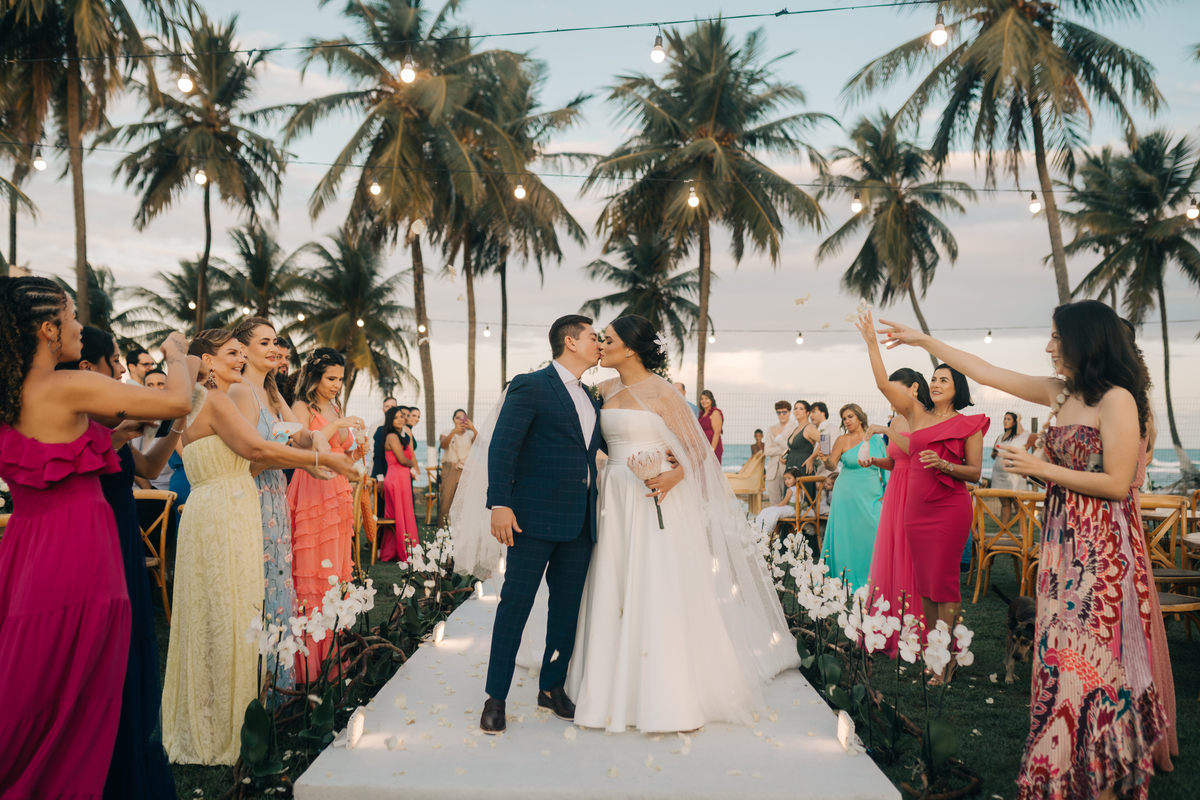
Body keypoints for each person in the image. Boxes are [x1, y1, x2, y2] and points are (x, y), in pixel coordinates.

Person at [880, 301, 1167, 800]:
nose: (1049, 346)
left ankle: (1100, 773)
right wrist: (925, 342)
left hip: (1100, 546)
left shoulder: (1117, 399)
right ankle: (1057, 768)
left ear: (1085, 340)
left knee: (1094, 658)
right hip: (1060, 541)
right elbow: (989, 371)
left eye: (1057, 337)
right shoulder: (1061, 391)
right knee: (1055, 652)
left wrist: (1036, 467)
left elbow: (1119, 483)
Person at [0, 277, 198, 799]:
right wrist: (178, 353)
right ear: (47, 330)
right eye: (68, 318)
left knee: (38, 675)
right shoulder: (64, 386)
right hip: (77, 548)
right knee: (83, 681)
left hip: (27, 547)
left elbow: (51, 461)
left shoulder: (15, 390)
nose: (75, 328)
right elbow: (177, 400)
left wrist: (112, 439)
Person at [568, 315, 798, 732]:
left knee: (654, 584)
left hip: (651, 496)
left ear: (631, 349)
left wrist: (674, 474)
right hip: (613, 497)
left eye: (610, 339)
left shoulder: (663, 393)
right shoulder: (604, 389)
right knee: (612, 583)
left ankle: (662, 691)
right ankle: (604, 684)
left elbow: (697, 451)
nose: (602, 344)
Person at [163, 331, 358, 766]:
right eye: (233, 351)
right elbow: (254, 451)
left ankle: (247, 701)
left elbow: (289, 437)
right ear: (209, 361)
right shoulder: (223, 397)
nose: (267, 351)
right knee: (237, 607)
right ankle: (240, 708)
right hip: (234, 503)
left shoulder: (216, 398)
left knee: (233, 606)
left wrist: (318, 445)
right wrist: (321, 461)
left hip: (229, 504)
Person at [57, 327, 181, 800]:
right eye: (116, 363)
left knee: (136, 651)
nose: (122, 373)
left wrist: (173, 432)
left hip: (125, 529)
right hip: (100, 535)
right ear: (90, 369)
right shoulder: (76, 420)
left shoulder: (104, 420)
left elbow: (148, 469)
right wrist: (176, 359)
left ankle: (132, 751)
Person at [474, 315, 606, 734]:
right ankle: (495, 697)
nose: (599, 343)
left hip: (580, 523)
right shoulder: (530, 385)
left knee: (566, 611)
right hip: (531, 520)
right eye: (593, 336)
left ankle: (551, 688)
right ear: (570, 341)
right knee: (515, 605)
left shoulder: (592, 397)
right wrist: (499, 504)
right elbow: (503, 446)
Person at [857, 311, 988, 684]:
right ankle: (934, 652)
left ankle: (944, 660)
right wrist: (871, 343)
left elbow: (975, 473)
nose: (935, 383)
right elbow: (885, 384)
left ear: (957, 387)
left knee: (944, 583)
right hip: (915, 509)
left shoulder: (970, 424)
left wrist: (945, 466)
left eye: (943, 379)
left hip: (949, 508)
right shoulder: (916, 414)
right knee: (925, 587)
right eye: (932, 379)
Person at [230, 318, 325, 700]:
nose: (274, 349)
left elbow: (296, 431)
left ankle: (279, 688)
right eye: (264, 342)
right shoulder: (239, 391)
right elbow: (249, 459)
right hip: (251, 494)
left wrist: (314, 437)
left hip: (275, 494)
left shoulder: (270, 390)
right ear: (244, 349)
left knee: (278, 582)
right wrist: (306, 460)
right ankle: (253, 688)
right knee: (257, 583)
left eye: (276, 342)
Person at [286, 347, 366, 681]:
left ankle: (335, 657)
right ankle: (309, 664)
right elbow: (300, 446)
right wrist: (338, 423)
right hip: (312, 487)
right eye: (331, 378)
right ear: (315, 376)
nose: (336, 385)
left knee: (336, 570)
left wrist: (357, 447)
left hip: (337, 493)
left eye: (340, 379)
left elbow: (339, 448)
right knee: (313, 571)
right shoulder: (301, 406)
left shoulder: (334, 407)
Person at [862, 368, 931, 657]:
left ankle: (914, 630)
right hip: (894, 488)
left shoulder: (922, 415)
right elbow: (895, 461)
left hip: (914, 488)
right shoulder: (896, 418)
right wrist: (875, 460)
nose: (889, 395)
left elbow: (916, 451)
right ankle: (887, 627)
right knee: (890, 553)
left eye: (894, 388)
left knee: (908, 554)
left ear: (914, 388)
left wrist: (887, 430)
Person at [819, 404, 887, 592]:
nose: (847, 421)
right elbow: (832, 465)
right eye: (844, 418)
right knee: (847, 535)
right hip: (846, 493)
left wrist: (887, 491)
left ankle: (874, 576)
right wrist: (824, 459)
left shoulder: (877, 439)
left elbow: (887, 465)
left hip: (872, 493)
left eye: (850, 416)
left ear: (859, 417)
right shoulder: (841, 439)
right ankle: (845, 577)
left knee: (874, 530)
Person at [379, 405, 419, 562]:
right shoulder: (391, 436)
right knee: (400, 516)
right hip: (396, 478)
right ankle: (404, 552)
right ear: (390, 420)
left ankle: (392, 551)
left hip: (401, 478)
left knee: (400, 515)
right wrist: (414, 467)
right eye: (396, 417)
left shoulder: (400, 436)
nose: (400, 419)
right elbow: (402, 459)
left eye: (401, 417)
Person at [438, 408, 477, 526]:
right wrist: (454, 431)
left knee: (463, 501)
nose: (461, 420)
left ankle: (460, 529)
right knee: (446, 501)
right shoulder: (447, 432)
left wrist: (473, 428)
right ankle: (442, 529)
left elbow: (479, 443)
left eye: (463, 417)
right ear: (453, 420)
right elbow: (443, 445)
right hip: (449, 469)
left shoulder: (471, 434)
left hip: (465, 470)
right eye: (457, 418)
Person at [989, 411, 1028, 524]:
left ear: (1015, 422)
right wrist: (995, 453)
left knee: (1018, 504)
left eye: (1009, 419)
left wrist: (1019, 420)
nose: (1005, 421)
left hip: (1012, 474)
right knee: (1005, 503)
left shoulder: (1018, 437)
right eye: (1004, 418)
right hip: (999, 474)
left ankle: (1022, 535)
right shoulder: (1000, 436)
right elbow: (992, 454)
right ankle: (1004, 532)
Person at [785, 401, 821, 501]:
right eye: (795, 408)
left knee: (803, 499)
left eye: (801, 409)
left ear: (807, 412)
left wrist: (812, 458)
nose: (797, 411)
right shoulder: (796, 428)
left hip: (803, 467)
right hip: (791, 466)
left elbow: (825, 442)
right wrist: (783, 457)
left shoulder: (809, 428)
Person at [765, 400, 798, 505]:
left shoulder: (796, 428)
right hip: (772, 471)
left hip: (788, 469)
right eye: (779, 412)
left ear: (789, 412)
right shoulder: (771, 429)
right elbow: (767, 451)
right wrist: (784, 447)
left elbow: (792, 448)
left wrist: (778, 438)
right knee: (774, 503)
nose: (781, 415)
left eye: (784, 412)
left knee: (788, 502)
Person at [371, 397, 398, 517]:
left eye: (393, 407)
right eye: (387, 406)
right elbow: (374, 451)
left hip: (394, 472)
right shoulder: (376, 426)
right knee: (379, 508)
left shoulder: (400, 427)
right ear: (383, 409)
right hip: (379, 469)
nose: (389, 409)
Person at [755, 466, 802, 533]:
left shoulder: (790, 490)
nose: (786, 481)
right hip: (798, 509)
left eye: (789, 478)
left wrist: (777, 505)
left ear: (796, 478)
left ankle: (762, 530)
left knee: (768, 511)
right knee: (769, 511)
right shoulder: (801, 489)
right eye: (785, 479)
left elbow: (784, 503)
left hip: (792, 509)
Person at [697, 390, 724, 463]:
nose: (704, 401)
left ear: (711, 400)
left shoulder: (715, 413)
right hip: (703, 447)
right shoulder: (701, 414)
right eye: (702, 399)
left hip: (712, 447)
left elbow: (717, 433)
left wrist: (711, 451)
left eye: (706, 398)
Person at [810, 402, 835, 474]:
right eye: (810, 413)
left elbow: (834, 449)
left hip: (827, 472)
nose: (811, 415)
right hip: (812, 471)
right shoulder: (811, 429)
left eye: (813, 412)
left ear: (823, 413)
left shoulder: (833, 428)